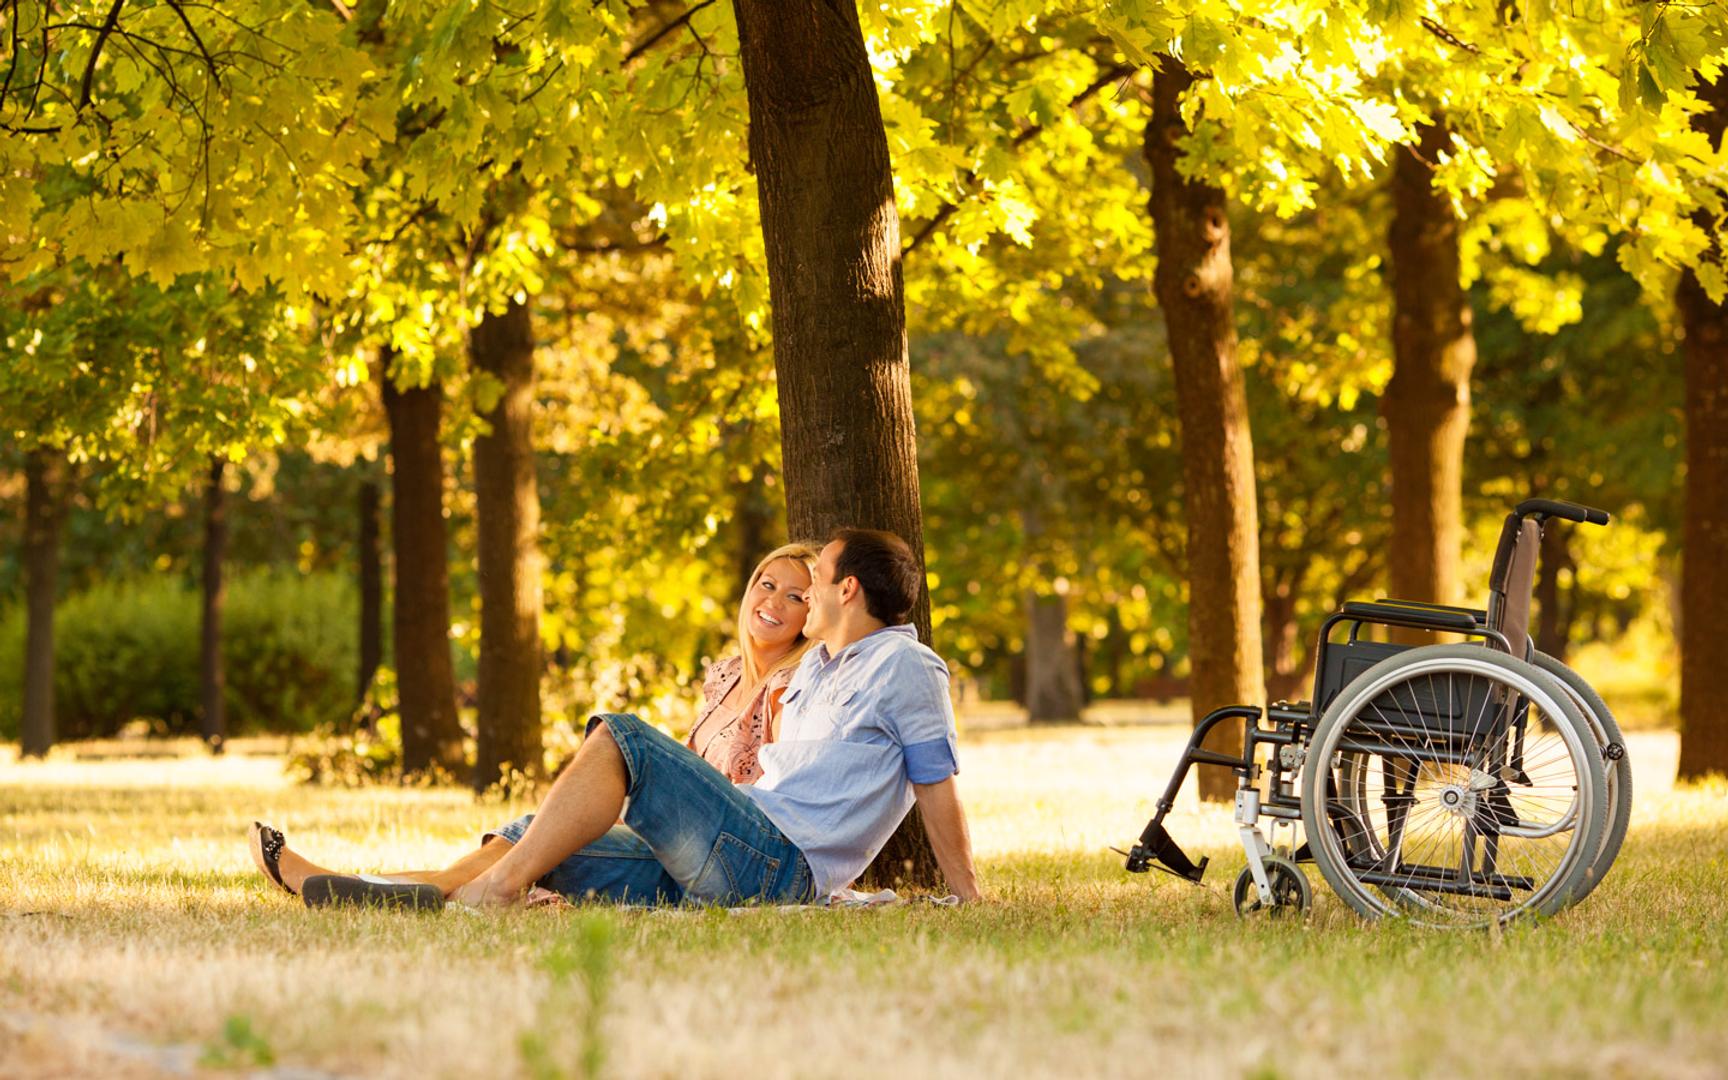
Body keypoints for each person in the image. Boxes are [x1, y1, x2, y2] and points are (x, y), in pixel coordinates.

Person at [248, 543, 819, 903]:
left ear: (811, 616)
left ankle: (434, 891)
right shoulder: (722, 676)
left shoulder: (792, 685)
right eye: (767, 584)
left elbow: (766, 797)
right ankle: (370, 887)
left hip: (731, 857)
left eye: (796, 596)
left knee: (608, 753)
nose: (774, 601)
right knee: (529, 835)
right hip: (674, 848)